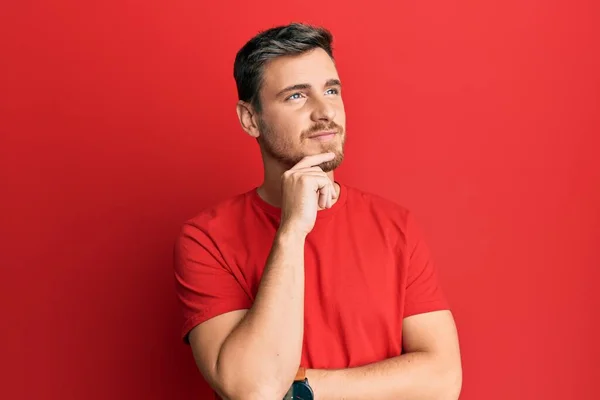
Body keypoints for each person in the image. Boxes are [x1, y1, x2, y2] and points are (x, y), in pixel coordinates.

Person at [173, 22, 462, 400]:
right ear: (250, 119)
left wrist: (302, 389)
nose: (325, 111)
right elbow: (254, 390)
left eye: (331, 90)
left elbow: (442, 380)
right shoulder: (206, 239)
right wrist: (292, 230)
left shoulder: (396, 226)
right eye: (296, 96)